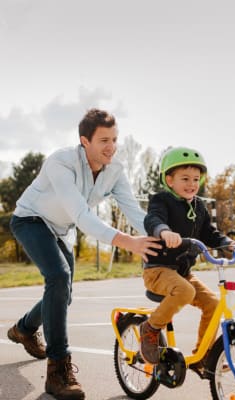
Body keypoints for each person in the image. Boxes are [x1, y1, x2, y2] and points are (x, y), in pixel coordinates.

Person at [7, 108, 161, 400]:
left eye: (115, 139)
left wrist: (160, 233)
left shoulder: (114, 170)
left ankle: (24, 329)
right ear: (84, 141)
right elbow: (80, 213)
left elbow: (134, 211)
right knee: (58, 277)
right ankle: (58, 371)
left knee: (63, 293)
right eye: (104, 140)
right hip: (30, 220)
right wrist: (128, 242)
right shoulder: (61, 162)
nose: (111, 147)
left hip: (61, 229)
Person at [139, 146, 235, 368]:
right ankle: (150, 328)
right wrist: (164, 231)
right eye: (185, 178)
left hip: (182, 272)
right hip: (157, 270)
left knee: (214, 303)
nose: (191, 184)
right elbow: (153, 219)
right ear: (170, 180)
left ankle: (203, 356)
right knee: (185, 291)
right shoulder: (161, 200)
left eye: (196, 179)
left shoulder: (200, 207)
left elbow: (210, 234)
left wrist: (228, 244)